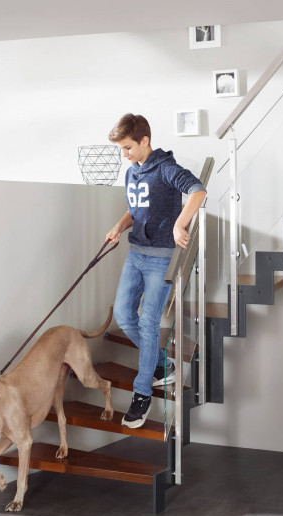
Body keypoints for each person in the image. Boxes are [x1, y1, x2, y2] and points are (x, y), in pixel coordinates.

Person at [105, 113, 207, 428]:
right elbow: (136, 209)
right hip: (135, 254)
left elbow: (198, 191)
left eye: (127, 147)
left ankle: (142, 394)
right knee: (123, 316)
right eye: (121, 148)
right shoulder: (133, 172)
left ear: (144, 140)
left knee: (149, 325)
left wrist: (180, 223)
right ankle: (163, 364)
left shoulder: (166, 168)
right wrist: (120, 226)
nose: (125, 154)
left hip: (161, 258)